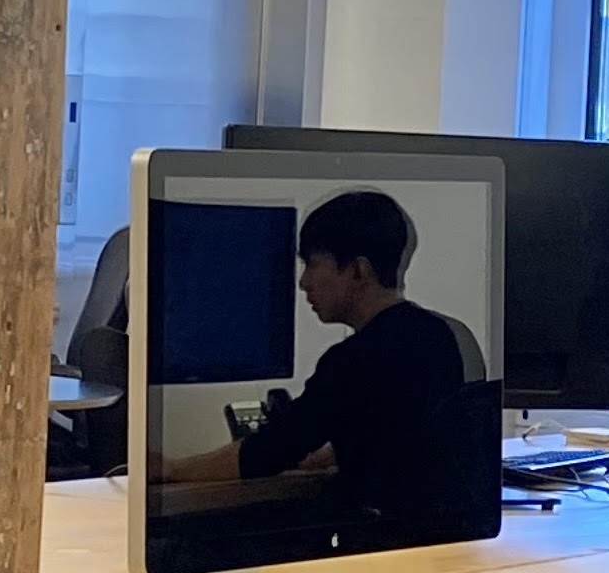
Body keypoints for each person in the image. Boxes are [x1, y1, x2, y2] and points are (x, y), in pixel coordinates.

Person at [155, 188, 486, 534]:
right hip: (445, 536)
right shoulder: (446, 335)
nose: (303, 283)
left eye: (312, 264)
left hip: (377, 539)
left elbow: (267, 452)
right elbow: (404, 438)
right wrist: (333, 450)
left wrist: (171, 468)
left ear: (358, 271)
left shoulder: (354, 360)